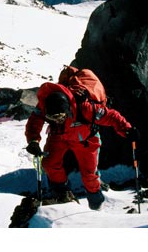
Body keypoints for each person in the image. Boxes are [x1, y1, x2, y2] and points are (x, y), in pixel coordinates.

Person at [25, 81, 138, 210]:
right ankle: (62, 194)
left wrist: (127, 129)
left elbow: (110, 116)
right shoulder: (45, 105)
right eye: (52, 118)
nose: (56, 120)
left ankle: (96, 205)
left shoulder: (85, 108)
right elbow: (35, 120)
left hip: (86, 140)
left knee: (89, 175)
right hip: (59, 136)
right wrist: (33, 140)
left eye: (60, 117)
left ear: (67, 109)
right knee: (50, 163)